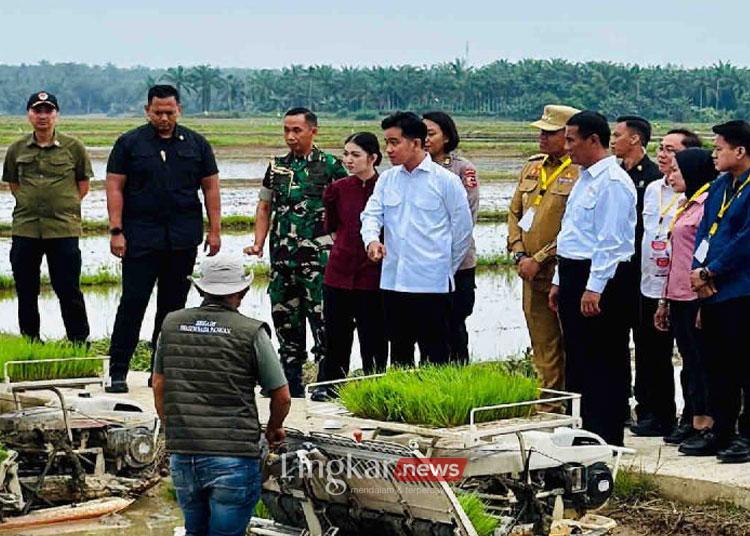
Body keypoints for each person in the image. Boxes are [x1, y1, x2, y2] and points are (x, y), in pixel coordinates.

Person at [153, 255, 291, 536]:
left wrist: (174, 427)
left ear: (200, 290)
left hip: (184, 453)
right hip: (234, 455)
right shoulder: (251, 332)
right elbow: (283, 396)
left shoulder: (171, 324)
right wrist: (274, 428)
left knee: (195, 531)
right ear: (243, 291)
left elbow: (158, 385)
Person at [105, 84, 222, 393]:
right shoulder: (129, 143)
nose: (164, 117)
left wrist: (215, 229)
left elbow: (210, 187)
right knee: (133, 303)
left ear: (179, 110)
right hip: (140, 237)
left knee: (172, 309)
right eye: (158, 112)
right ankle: (118, 370)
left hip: (182, 238)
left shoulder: (196, 144)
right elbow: (114, 186)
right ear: (148, 111)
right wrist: (116, 230)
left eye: (170, 112)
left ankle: (161, 371)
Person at [245, 108, 348, 397]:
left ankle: (327, 384)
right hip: (282, 259)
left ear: (313, 131)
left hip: (318, 261)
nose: (290, 136)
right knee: (285, 321)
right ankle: (288, 383)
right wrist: (258, 241)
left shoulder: (331, 166)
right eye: (286, 130)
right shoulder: (276, 167)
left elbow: (347, 208)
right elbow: (265, 206)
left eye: (297, 130)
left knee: (324, 321)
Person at [548, 111, 636, 446]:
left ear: (593, 141)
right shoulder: (584, 178)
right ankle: (584, 432)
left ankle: (606, 438)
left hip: (602, 277)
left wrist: (593, 288)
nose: (566, 146)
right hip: (574, 273)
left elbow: (610, 242)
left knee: (604, 361)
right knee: (580, 359)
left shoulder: (612, 182)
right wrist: (559, 280)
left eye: (571, 140)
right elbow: (571, 234)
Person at [361, 111, 472, 367]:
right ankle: (401, 407)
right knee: (399, 355)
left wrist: (444, 268)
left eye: (394, 142)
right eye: (386, 142)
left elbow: (462, 231)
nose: (388, 150)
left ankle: (435, 407)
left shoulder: (446, 181)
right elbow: (371, 215)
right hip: (393, 282)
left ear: (416, 143)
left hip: (431, 285)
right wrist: (372, 241)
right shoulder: (387, 179)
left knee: (435, 356)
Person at [629, 128, 703, 436]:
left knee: (690, 356)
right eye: (661, 148)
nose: (662, 155)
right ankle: (655, 414)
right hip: (651, 283)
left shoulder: (695, 193)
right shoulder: (652, 189)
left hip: (683, 288)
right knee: (650, 353)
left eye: (671, 150)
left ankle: (692, 417)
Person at [2, 91, 91, 343]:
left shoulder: (74, 148)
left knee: (68, 289)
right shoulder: (16, 149)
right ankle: (31, 340)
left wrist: (62, 206)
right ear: (29, 114)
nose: (43, 116)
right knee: (26, 290)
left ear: (56, 115)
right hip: (26, 229)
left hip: (63, 230)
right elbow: (14, 185)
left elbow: (82, 186)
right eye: (37, 110)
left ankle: (78, 341)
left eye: (48, 111)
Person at [687, 120, 750, 462]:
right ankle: (722, 430)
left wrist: (713, 270)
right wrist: (698, 273)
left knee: (744, 366)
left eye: (720, 148)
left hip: (740, 289)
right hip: (711, 290)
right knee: (717, 365)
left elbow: (745, 241)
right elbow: (703, 234)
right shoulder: (720, 185)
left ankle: (747, 435)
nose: (714, 154)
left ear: (740, 151)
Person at [507, 104, 580, 396]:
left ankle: (572, 402)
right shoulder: (532, 166)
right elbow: (514, 213)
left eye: (550, 133)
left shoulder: (580, 173)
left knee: (572, 342)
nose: (542, 138)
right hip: (529, 272)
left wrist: (540, 258)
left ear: (569, 134)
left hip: (561, 271)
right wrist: (519, 253)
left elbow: (576, 229)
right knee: (542, 341)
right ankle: (547, 402)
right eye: (541, 132)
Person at [311, 133, 388, 401]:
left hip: (374, 273)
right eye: (346, 154)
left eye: (355, 155)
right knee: (335, 334)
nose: (348, 160)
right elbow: (331, 227)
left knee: (374, 336)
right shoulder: (338, 189)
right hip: (339, 272)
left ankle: (374, 388)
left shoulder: (387, 186)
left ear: (373, 158)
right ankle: (331, 386)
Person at [610, 115, 672, 433]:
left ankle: (652, 410)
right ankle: (618, 404)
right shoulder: (612, 174)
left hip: (644, 275)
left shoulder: (652, 177)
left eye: (617, 134)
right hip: (616, 275)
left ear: (635, 139)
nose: (612, 139)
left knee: (649, 347)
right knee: (614, 344)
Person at [653, 148, 717, 449]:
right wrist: (664, 300)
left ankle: (707, 423)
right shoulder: (685, 203)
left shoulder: (706, 204)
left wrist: (704, 302)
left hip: (695, 296)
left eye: (676, 170)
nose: (670, 175)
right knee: (689, 362)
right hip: (677, 294)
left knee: (703, 362)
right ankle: (692, 419)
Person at [423, 111, 479, 364]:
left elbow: (468, 217)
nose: (425, 139)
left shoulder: (462, 169)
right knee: (426, 328)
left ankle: (458, 378)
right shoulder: (412, 168)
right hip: (422, 262)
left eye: (431, 133)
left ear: (447, 136)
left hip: (457, 262)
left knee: (454, 324)